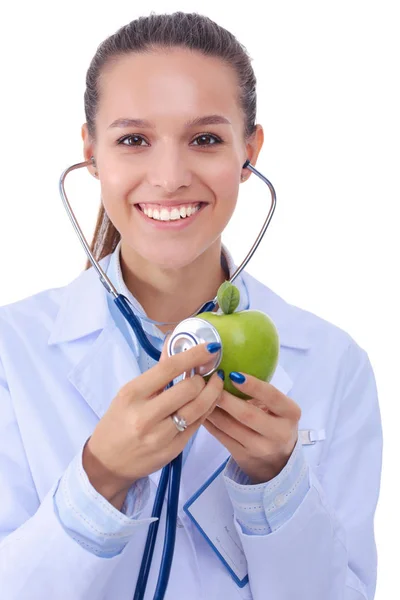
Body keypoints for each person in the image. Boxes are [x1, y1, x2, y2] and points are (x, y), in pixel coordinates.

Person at [0, 11, 382, 600]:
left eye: (205, 139)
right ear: (91, 152)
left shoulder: (334, 362)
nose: (170, 176)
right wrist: (100, 475)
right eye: (133, 140)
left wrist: (276, 484)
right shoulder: (11, 351)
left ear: (249, 151)